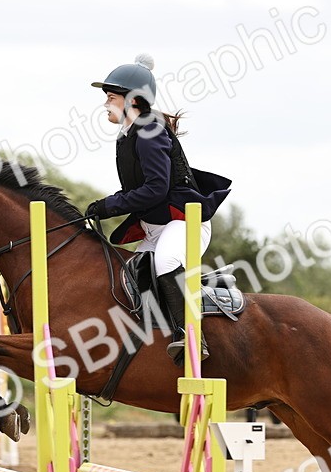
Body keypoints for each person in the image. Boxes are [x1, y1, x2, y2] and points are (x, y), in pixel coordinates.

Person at [84, 53, 233, 365]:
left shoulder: (149, 131)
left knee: (165, 262)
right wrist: (103, 207)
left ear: (132, 100)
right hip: (156, 227)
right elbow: (136, 192)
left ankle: (191, 337)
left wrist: (108, 206)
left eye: (111, 98)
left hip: (183, 223)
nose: (105, 104)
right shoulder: (128, 135)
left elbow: (156, 189)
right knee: (129, 277)